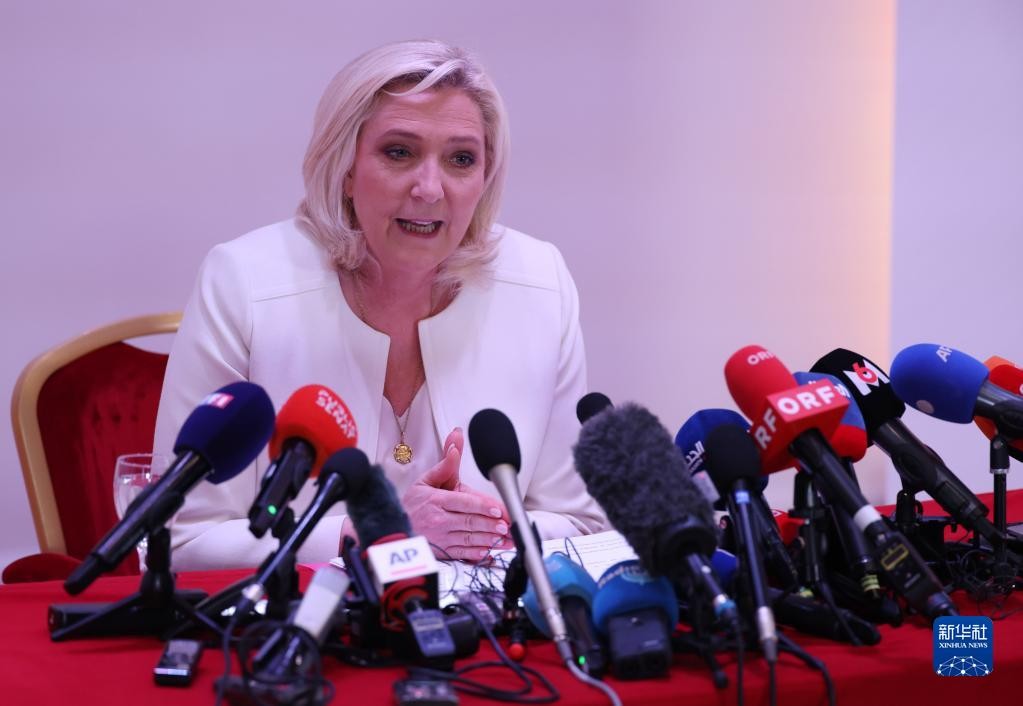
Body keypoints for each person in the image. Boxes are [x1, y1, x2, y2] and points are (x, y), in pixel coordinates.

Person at [153, 39, 607, 571]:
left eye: (461, 159)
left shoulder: (540, 282)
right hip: (299, 618)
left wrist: (481, 527)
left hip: (482, 619)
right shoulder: (244, 283)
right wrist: (375, 530)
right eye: (399, 152)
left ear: (485, 179)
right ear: (344, 168)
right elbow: (180, 542)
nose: (430, 189)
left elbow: (581, 522)